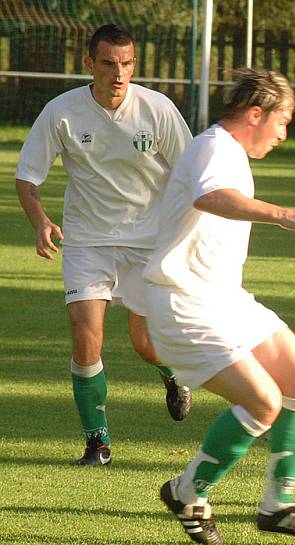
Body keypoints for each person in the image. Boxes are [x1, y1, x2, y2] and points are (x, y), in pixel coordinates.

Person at [145, 68, 295, 545]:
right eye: (283, 120)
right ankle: (188, 490)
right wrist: (283, 214)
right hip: (183, 302)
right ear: (256, 114)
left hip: (225, 298)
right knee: (263, 400)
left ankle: (278, 504)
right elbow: (212, 196)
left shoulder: (229, 151)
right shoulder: (215, 147)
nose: (284, 133)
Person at [15, 24, 193, 467]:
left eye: (127, 63)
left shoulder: (158, 109)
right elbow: (27, 177)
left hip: (148, 242)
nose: (119, 73)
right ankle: (98, 442)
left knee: (145, 345)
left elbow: (192, 174)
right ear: (89, 63)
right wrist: (40, 223)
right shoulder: (61, 112)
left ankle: (172, 375)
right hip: (87, 242)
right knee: (85, 335)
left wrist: (191, 233)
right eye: (109, 63)